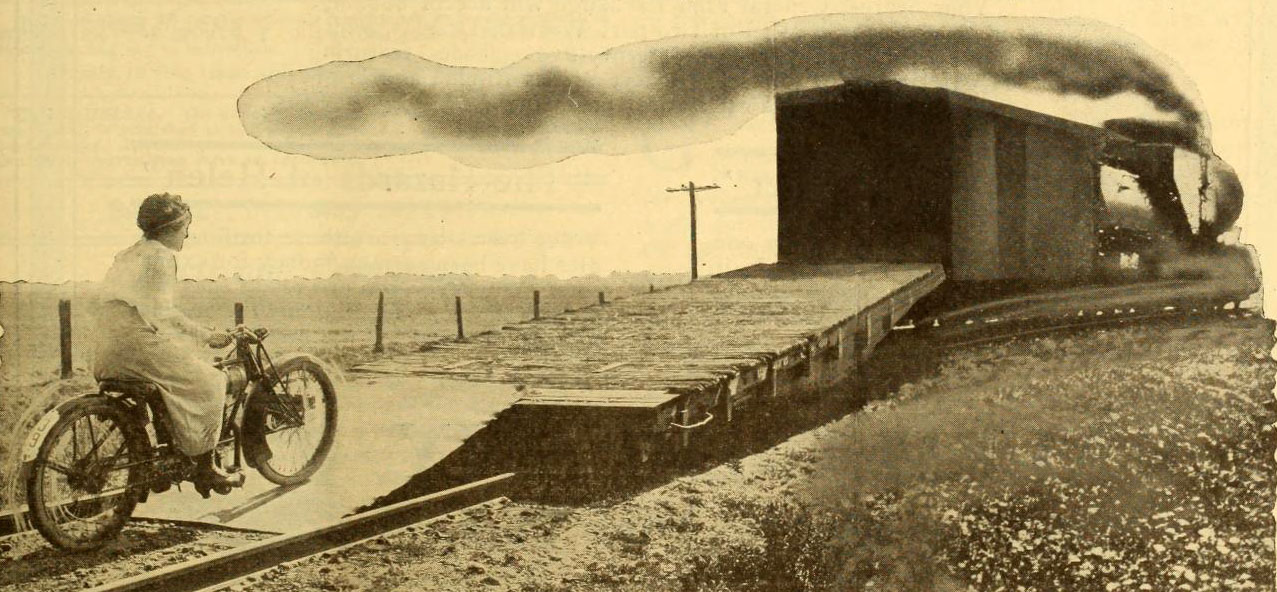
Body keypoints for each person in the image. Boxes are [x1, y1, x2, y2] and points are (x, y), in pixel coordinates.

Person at [94, 193, 242, 495]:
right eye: (186, 226)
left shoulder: (128, 253)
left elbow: (140, 311)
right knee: (213, 381)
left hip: (107, 349)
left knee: (176, 379)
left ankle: (172, 455)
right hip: (136, 346)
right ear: (173, 226)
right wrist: (206, 335)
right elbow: (162, 312)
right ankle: (205, 465)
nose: (188, 233)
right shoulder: (160, 256)